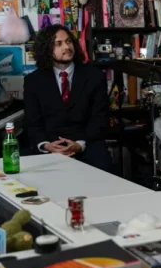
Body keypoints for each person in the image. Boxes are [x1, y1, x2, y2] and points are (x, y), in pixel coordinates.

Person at [24, 25, 111, 172]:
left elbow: (100, 118)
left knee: (103, 166)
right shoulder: (33, 81)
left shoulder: (95, 77)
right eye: (58, 44)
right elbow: (32, 123)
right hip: (51, 145)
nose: (66, 46)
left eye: (69, 41)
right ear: (47, 49)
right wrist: (45, 145)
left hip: (86, 144)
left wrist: (79, 144)